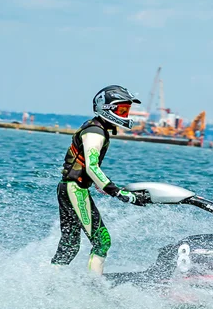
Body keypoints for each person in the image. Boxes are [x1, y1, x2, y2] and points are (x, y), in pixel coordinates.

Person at [51, 85, 150, 274]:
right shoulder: (95, 132)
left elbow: (87, 168)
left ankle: (49, 282)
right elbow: (91, 166)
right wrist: (117, 191)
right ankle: (93, 287)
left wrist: (100, 184)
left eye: (126, 110)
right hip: (74, 190)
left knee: (70, 243)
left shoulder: (95, 128)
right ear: (106, 109)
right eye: (122, 109)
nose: (125, 114)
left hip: (69, 188)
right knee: (102, 241)